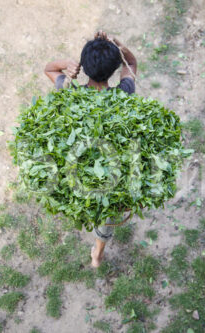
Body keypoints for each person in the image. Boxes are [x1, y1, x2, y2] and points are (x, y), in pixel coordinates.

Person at [44, 31, 137, 268]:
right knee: (107, 214)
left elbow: (49, 69)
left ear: (83, 66)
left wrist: (66, 65)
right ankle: (97, 253)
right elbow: (133, 62)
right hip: (111, 179)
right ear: (115, 70)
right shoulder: (124, 93)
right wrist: (117, 45)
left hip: (79, 173)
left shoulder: (70, 92)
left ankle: (84, 214)